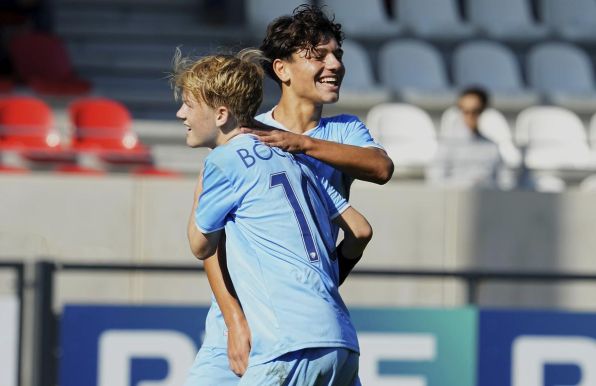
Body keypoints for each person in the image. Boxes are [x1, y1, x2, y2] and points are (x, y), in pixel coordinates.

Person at [185, 4, 394, 384]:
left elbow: (381, 168)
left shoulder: (346, 130)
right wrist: (234, 320)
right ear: (281, 69)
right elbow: (210, 241)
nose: (334, 64)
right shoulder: (246, 133)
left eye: (337, 55)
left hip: (295, 322)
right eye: (319, 55)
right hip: (238, 321)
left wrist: (302, 144)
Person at [427, 87, 504, 189]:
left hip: (487, 199)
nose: (470, 116)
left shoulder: (491, 146)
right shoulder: (448, 143)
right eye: (465, 111)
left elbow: (502, 181)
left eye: (475, 111)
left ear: (483, 111)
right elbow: (435, 178)